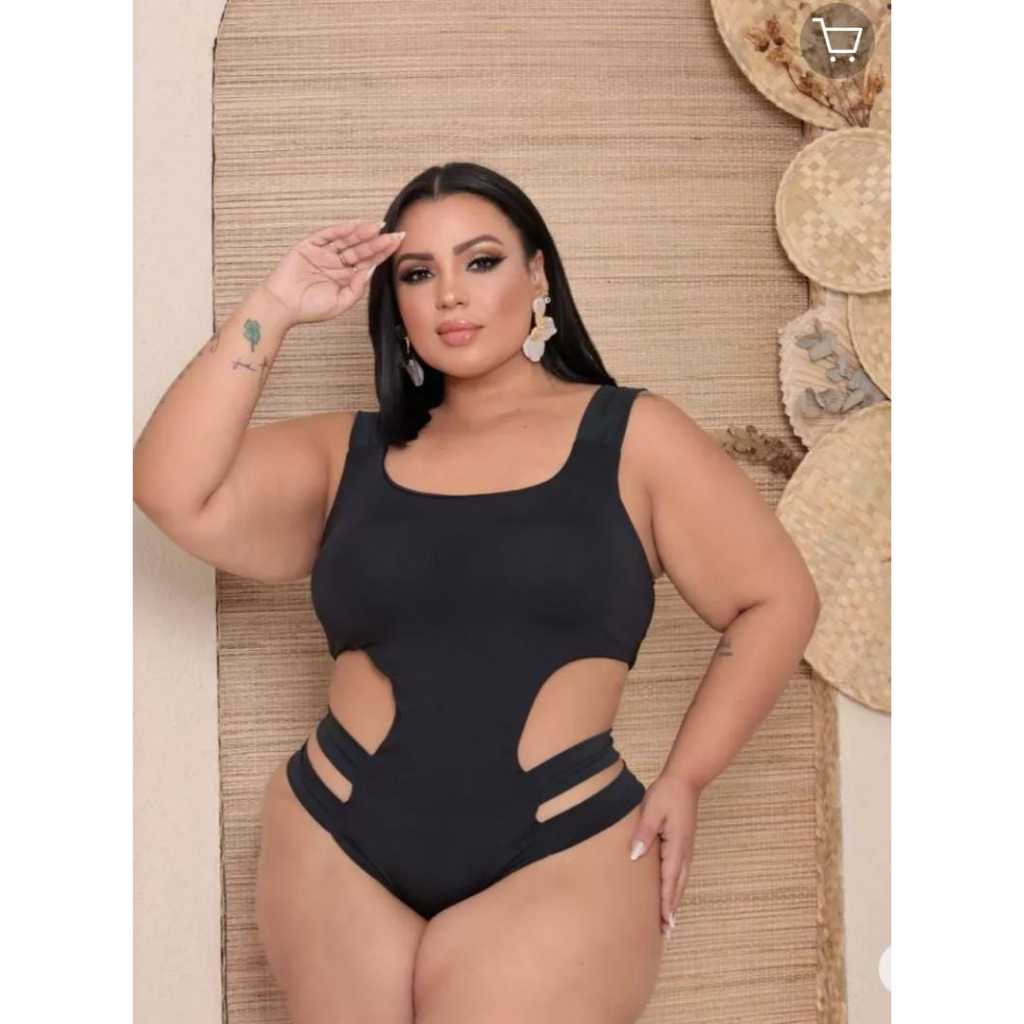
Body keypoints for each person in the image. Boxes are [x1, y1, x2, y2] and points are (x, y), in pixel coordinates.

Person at [134, 161, 820, 1024]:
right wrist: (275, 304)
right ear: (395, 302)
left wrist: (687, 777)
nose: (450, 295)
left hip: (562, 842)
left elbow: (777, 599)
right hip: (338, 836)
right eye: (418, 274)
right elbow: (170, 488)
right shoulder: (346, 455)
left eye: (482, 261)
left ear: (538, 275)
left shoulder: (634, 437)